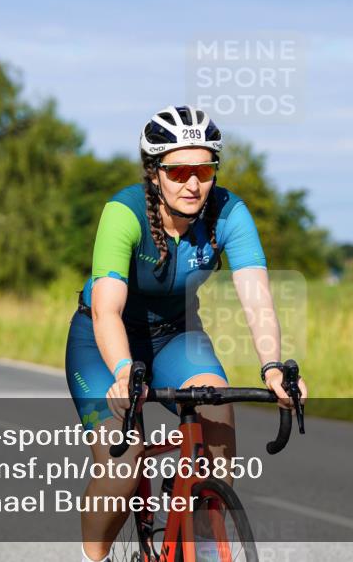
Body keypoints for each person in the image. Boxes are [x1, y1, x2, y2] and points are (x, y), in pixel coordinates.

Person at [65, 105, 308, 562]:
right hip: (104, 342)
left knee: (216, 410)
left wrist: (273, 368)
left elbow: (257, 298)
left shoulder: (228, 213)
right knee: (123, 463)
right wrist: (122, 370)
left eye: (204, 169)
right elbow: (107, 310)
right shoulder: (124, 212)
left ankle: (207, 548)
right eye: (178, 171)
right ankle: (92, 556)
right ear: (154, 172)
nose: (192, 184)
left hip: (175, 335)